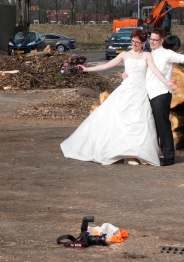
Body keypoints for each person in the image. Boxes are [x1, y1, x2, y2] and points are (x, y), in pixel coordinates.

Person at [60, 29, 177, 166]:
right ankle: (126, 154)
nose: (134, 44)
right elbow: (106, 66)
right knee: (122, 121)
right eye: (132, 41)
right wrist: (86, 69)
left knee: (139, 123)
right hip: (126, 91)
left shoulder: (147, 55)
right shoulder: (125, 55)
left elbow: (155, 71)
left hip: (140, 92)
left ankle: (136, 153)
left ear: (143, 43)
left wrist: (166, 82)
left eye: (137, 42)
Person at [146, 29, 184, 166]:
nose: (152, 42)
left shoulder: (166, 54)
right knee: (152, 125)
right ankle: (154, 153)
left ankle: (169, 156)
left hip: (161, 94)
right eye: (151, 39)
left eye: (155, 40)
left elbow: (182, 58)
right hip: (148, 93)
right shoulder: (150, 54)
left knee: (163, 125)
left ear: (161, 41)